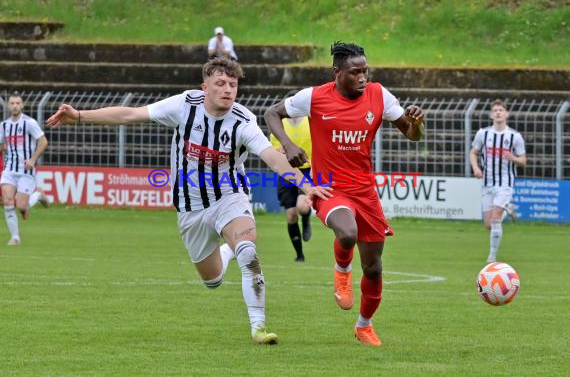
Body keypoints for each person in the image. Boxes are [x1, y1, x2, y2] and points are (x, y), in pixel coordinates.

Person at [46, 58, 331, 345]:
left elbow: (271, 157)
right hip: (190, 207)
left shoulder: (243, 121)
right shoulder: (184, 106)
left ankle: (258, 328)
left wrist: (306, 185)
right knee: (213, 280)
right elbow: (130, 114)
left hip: (230, 198)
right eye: (220, 84)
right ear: (204, 87)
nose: (228, 90)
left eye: (233, 85)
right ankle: (226, 250)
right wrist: (80, 115)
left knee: (248, 253)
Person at [264, 42, 425, 347]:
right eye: (355, 72)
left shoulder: (379, 95)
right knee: (347, 232)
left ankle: (364, 325)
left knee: (374, 267)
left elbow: (412, 135)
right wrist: (287, 145)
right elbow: (272, 113)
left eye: (366, 70)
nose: (363, 77)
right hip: (328, 185)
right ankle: (342, 271)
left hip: (364, 190)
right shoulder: (314, 97)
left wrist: (418, 125)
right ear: (337, 73)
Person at [470, 100, 526, 263]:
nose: (498, 113)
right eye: (495, 110)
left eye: (501, 110)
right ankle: (507, 208)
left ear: (506, 114)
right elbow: (473, 153)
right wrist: (476, 168)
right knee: (488, 225)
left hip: (505, 184)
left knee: (495, 218)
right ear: (491, 115)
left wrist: (513, 158)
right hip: (487, 183)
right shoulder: (483, 134)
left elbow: (523, 160)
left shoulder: (515, 136)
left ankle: (492, 256)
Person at [1, 92, 48, 245]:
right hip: (9, 170)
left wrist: (33, 159)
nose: (15, 106)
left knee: (21, 205)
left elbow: (43, 141)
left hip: (25, 171)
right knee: (8, 201)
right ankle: (15, 237)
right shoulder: (4, 125)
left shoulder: (29, 123)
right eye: (12, 103)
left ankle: (38, 195)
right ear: (8, 106)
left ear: (22, 105)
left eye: (17, 103)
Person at [269, 116, 313, 262]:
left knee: (302, 206)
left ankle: (306, 220)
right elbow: (274, 150)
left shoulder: (310, 121)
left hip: (307, 170)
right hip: (286, 172)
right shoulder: (279, 125)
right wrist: (279, 152)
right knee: (291, 215)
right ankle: (299, 255)